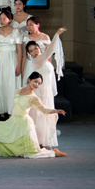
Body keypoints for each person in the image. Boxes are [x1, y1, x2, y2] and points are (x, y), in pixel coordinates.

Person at [0, 71, 67, 158]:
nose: (37, 85)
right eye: (35, 81)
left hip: (24, 124)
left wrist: (56, 111)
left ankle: (54, 153)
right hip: (13, 121)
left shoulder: (33, 98)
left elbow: (44, 110)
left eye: (39, 83)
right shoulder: (18, 90)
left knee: (31, 154)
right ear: (29, 80)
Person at [26, 28, 67, 156]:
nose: (34, 51)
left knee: (44, 115)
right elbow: (50, 50)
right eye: (31, 51)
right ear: (29, 54)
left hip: (46, 91)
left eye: (35, 48)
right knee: (40, 115)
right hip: (42, 92)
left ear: (39, 47)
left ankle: (41, 142)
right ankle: (39, 142)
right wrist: (57, 34)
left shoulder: (41, 58)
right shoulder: (39, 59)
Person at [0, 9, 23, 118]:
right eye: (0, 19)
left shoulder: (15, 32)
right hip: (0, 59)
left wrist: (19, 65)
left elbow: (19, 51)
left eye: (4, 19)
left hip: (11, 58)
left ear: (10, 19)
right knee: (0, 83)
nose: (2, 21)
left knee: (10, 83)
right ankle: (1, 109)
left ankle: (10, 109)